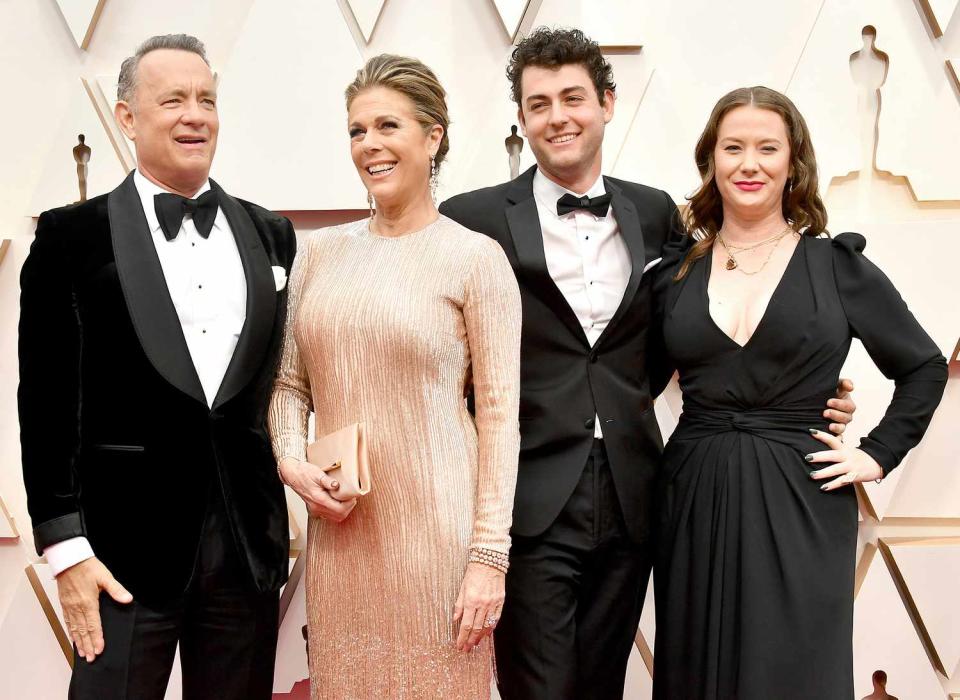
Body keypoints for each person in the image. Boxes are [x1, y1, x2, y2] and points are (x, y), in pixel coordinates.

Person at [440, 28, 857, 700]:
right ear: (520, 118)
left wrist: (800, 386)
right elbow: (441, 353)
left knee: (604, 685)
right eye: (538, 103)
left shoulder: (659, 213)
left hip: (638, 495)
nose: (558, 116)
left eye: (573, 97)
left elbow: (709, 322)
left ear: (607, 102)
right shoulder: (472, 218)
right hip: (528, 493)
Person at [18, 34, 296, 699]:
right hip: (119, 554)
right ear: (126, 117)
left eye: (206, 99)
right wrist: (66, 551)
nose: (193, 114)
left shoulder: (270, 233)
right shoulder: (68, 238)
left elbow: (274, 386)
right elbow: (47, 406)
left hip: (245, 549)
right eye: (172, 99)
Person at [651, 86, 947, 699]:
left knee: (793, 671)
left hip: (802, 497)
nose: (749, 163)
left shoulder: (836, 267)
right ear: (712, 159)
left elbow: (922, 366)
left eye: (767, 148)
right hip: (692, 495)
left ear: (793, 163)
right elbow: (627, 385)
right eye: (733, 147)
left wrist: (874, 453)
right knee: (694, 670)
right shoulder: (676, 275)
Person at [268, 54, 521, 699]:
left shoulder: (475, 258)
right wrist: (293, 461)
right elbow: (289, 386)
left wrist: (488, 559)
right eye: (356, 131)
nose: (370, 146)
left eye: (388, 126)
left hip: (440, 540)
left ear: (433, 137)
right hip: (342, 538)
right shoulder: (318, 252)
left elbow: (498, 418)